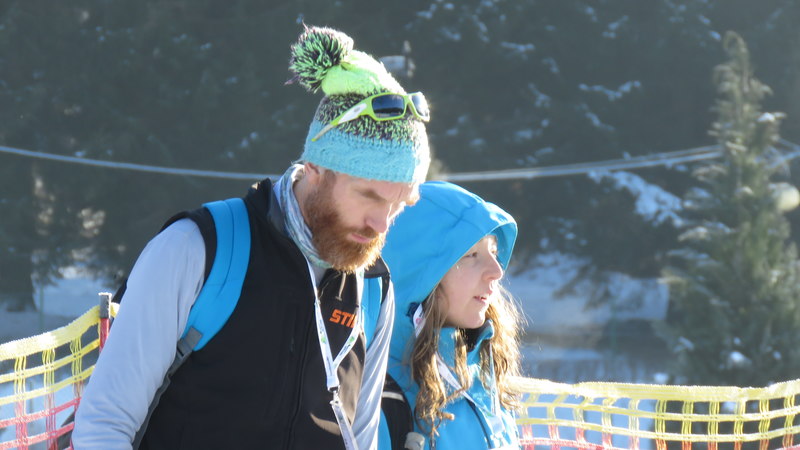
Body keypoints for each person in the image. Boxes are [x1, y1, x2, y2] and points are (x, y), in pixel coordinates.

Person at [72, 25, 431, 450]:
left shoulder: (373, 287)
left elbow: (362, 440)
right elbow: (104, 427)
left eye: (400, 204)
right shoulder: (197, 251)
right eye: (368, 195)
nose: (382, 223)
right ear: (316, 169)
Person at [378, 181, 523, 450]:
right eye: (471, 255)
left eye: (493, 252)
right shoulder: (377, 398)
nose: (497, 271)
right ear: (419, 275)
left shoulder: (482, 371)